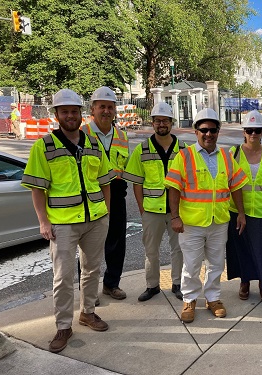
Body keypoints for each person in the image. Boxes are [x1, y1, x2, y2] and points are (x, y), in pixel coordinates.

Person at [21, 89, 115, 353]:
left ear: (81, 113)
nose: (70, 116)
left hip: (95, 220)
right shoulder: (45, 146)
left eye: (74, 111)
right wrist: (43, 222)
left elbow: (105, 181)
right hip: (63, 223)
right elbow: (37, 189)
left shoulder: (93, 144)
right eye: (65, 111)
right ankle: (63, 325)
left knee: (92, 270)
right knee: (62, 277)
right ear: (57, 115)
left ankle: (88, 312)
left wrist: (105, 212)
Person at [165, 108, 247, 323]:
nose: (208, 134)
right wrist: (175, 217)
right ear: (196, 132)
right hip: (191, 223)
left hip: (218, 222)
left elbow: (236, 186)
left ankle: (213, 298)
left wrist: (240, 213)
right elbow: (173, 188)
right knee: (191, 265)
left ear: (218, 132)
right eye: (204, 130)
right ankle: (190, 299)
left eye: (213, 130)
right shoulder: (184, 156)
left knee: (216, 263)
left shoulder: (226, 157)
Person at [123, 102, 185, 301]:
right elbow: (137, 183)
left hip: (179, 210)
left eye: (165, 120)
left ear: (171, 122)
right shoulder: (142, 149)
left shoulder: (184, 149)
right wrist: (143, 210)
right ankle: (152, 286)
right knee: (151, 251)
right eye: (157, 121)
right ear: (152, 123)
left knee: (179, 249)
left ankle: (177, 284)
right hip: (152, 210)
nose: (161, 124)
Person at [80, 86, 129, 301]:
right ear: (93, 109)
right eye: (102, 107)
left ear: (115, 110)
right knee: (90, 247)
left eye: (110, 107)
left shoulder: (122, 135)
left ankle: (111, 284)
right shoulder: (82, 134)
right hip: (90, 195)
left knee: (117, 243)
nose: (106, 111)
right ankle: (88, 291)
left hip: (117, 194)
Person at [226, 110, 262, 302]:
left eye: (257, 130)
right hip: (238, 210)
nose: (253, 134)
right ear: (244, 132)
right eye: (249, 130)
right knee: (242, 249)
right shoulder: (234, 153)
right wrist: (239, 211)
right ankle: (245, 282)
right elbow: (231, 183)